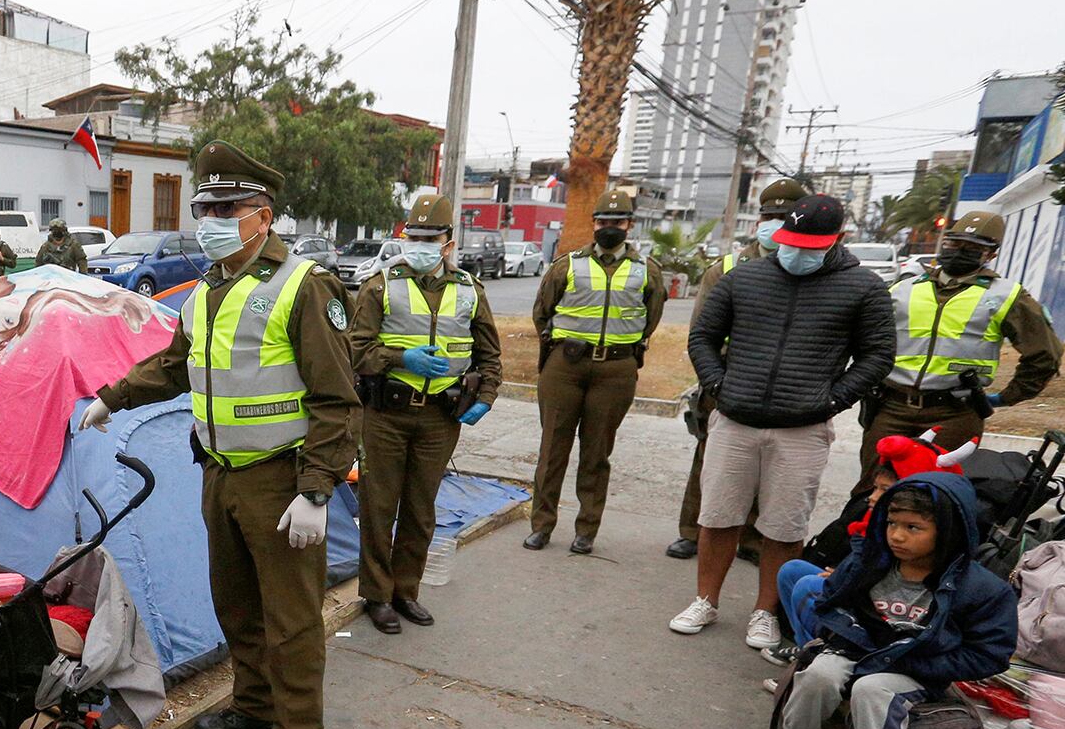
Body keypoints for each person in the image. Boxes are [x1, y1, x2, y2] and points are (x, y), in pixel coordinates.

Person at [77, 141, 358, 729]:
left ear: (262, 215)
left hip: (284, 479)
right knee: (235, 604)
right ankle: (256, 705)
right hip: (221, 475)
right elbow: (175, 365)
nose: (210, 218)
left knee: (290, 619)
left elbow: (337, 398)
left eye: (226, 208)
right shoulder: (208, 289)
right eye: (205, 206)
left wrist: (317, 489)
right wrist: (113, 396)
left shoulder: (303, 286)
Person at [674, 194, 896, 647]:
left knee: (784, 525)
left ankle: (765, 611)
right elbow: (703, 336)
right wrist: (719, 384)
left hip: (803, 429)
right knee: (717, 516)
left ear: (835, 240)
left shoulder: (863, 288)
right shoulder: (746, 278)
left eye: (807, 246)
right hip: (735, 421)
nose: (794, 253)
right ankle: (705, 600)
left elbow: (878, 355)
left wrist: (832, 400)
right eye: (788, 242)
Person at [761, 472, 1015, 729]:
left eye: (914, 527)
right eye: (893, 523)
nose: (897, 535)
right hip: (860, 649)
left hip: (914, 666)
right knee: (821, 673)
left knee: (874, 690)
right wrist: (841, 634)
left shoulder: (979, 589)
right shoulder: (870, 560)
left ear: (949, 530)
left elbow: (990, 653)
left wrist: (924, 664)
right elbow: (833, 598)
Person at [347, 193, 502, 633]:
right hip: (386, 414)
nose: (419, 244)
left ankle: (405, 591)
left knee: (421, 508)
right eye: (412, 236)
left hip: (441, 418)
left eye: (429, 237)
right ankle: (376, 596)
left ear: (448, 242)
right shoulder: (380, 285)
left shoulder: (470, 291)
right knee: (378, 506)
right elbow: (356, 349)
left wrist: (486, 397)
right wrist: (401, 359)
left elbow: (490, 355)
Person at [853, 209, 1060, 494]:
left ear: (991, 254)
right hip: (892, 408)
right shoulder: (904, 289)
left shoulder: (1005, 295)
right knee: (872, 491)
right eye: (953, 244)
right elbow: (866, 339)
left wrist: (1006, 397)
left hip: (954, 413)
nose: (959, 252)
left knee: (935, 498)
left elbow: (1044, 354)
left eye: (973, 248)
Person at [667, 178, 809, 559]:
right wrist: (713, 381)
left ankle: (750, 539)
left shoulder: (808, 269)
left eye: (784, 216)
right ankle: (693, 531)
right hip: (728, 379)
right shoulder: (728, 267)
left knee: (769, 463)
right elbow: (702, 332)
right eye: (769, 215)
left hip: (783, 384)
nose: (774, 223)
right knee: (709, 458)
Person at [524, 189, 667, 555]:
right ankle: (542, 525)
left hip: (616, 369)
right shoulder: (567, 264)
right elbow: (543, 312)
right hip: (565, 366)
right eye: (603, 222)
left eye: (617, 222)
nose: (609, 228)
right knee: (552, 449)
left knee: (596, 453)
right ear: (594, 224)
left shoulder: (645, 270)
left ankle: (586, 529)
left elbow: (650, 319)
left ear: (629, 226)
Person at [769, 459, 897, 666]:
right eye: (875, 488)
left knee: (807, 586)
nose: (872, 497)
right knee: (792, 571)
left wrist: (843, 578)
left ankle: (813, 663)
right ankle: (809, 650)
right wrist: (842, 573)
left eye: (884, 490)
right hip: (855, 591)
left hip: (875, 612)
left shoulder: (903, 534)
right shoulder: (872, 519)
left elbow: (886, 581)